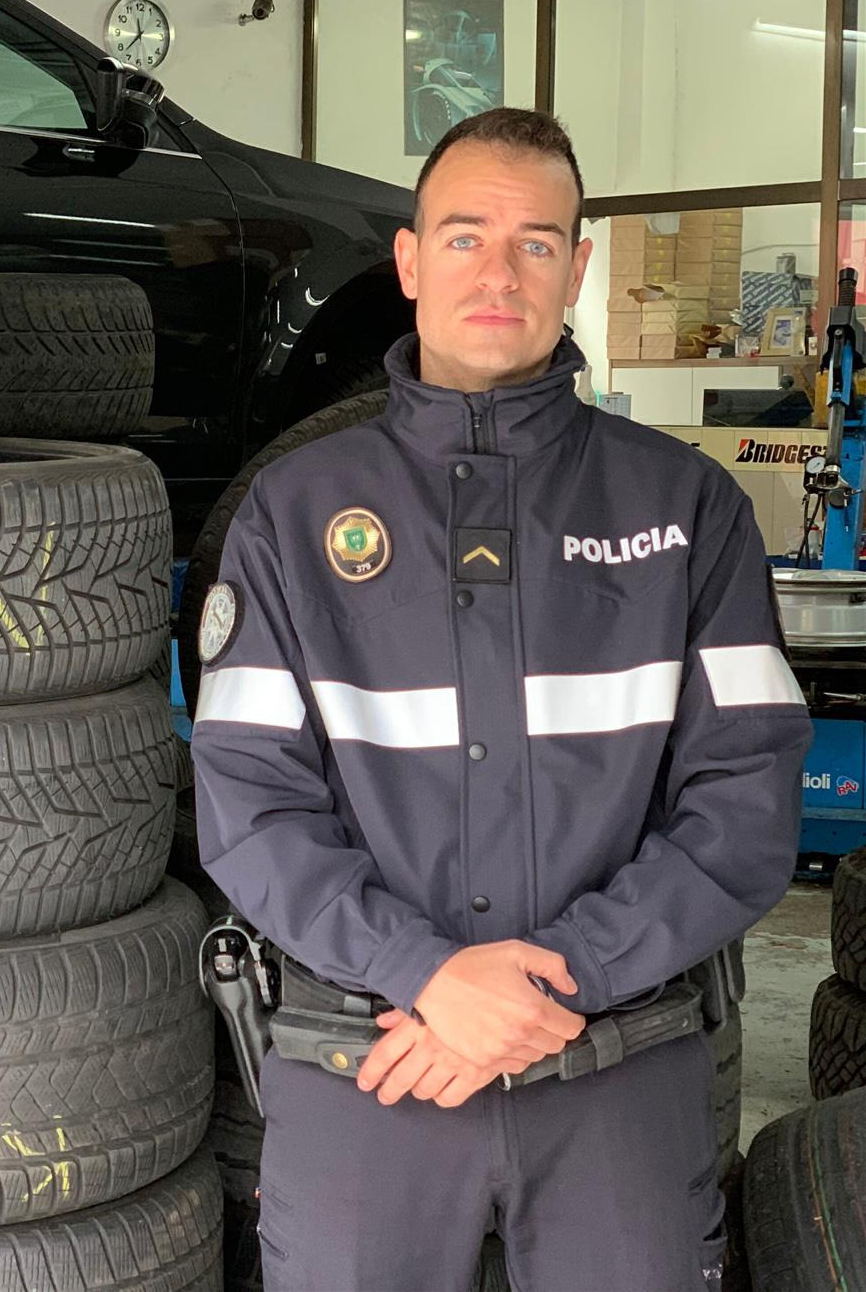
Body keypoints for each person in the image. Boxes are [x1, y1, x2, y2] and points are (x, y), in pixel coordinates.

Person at [191, 108, 812, 1291]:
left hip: (619, 1069)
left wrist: (551, 982)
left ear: (577, 270)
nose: (500, 270)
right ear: (411, 262)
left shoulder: (689, 509)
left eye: (537, 243)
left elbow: (745, 806)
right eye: (466, 235)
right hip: (373, 1065)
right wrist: (427, 977)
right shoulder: (292, 514)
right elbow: (249, 810)